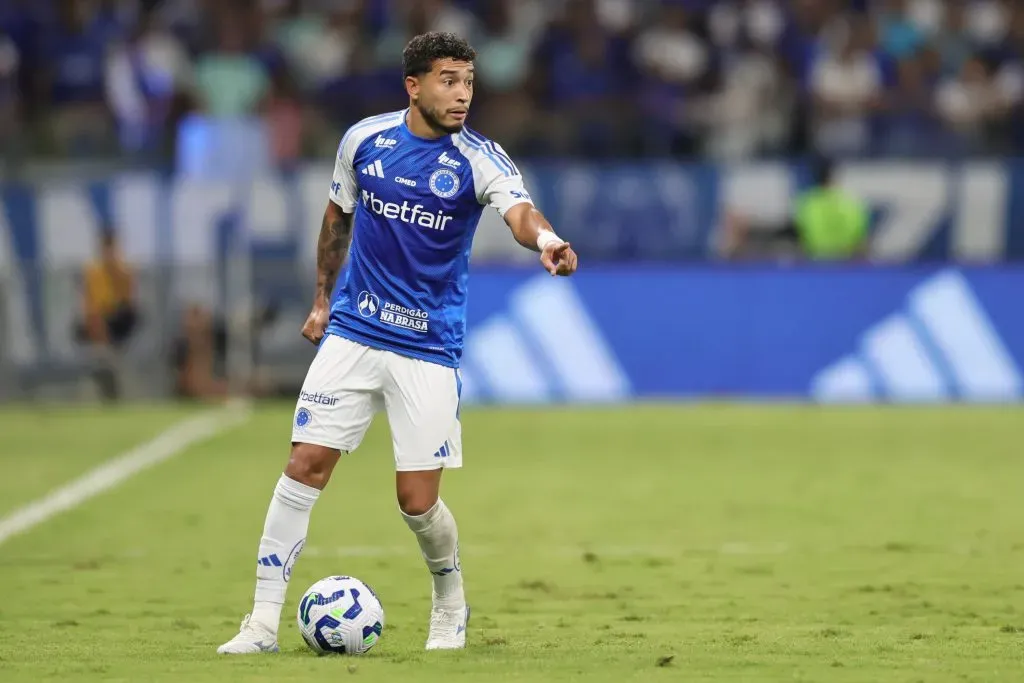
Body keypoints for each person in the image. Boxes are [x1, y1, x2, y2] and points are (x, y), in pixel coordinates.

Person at [217, 31, 578, 655]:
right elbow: (337, 220)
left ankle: (449, 599)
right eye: (448, 80)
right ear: (414, 85)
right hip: (354, 330)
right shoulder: (364, 140)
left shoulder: (479, 158)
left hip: (428, 347)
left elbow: (520, 212)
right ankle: (260, 624)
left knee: (416, 502)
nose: (462, 94)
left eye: (468, 82)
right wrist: (322, 299)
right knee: (304, 466)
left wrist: (546, 242)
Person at [76, 229, 139, 400]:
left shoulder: (125, 272)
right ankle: (103, 355)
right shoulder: (93, 272)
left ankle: (105, 355)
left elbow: (128, 302)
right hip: (98, 319)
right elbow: (88, 302)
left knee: (103, 319)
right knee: (93, 318)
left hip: (119, 319)